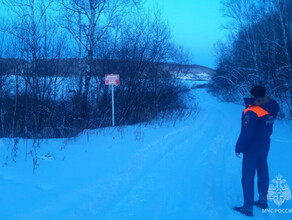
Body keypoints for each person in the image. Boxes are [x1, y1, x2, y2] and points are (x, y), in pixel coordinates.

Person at [233, 86, 279, 217]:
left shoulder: (252, 111)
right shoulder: (270, 107)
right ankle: (263, 201)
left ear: (253, 95)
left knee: (248, 177)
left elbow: (247, 132)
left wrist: (238, 147)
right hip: (264, 146)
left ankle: (247, 207)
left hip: (252, 148)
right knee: (263, 173)